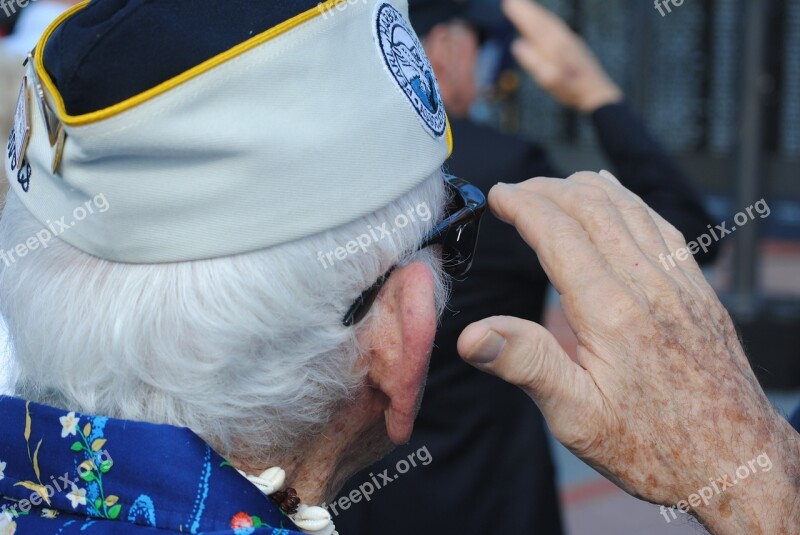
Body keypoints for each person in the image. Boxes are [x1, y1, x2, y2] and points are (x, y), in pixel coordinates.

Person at [1, 2, 797, 535]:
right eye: (454, 227)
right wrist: (757, 482)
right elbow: (690, 227)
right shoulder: (519, 163)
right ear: (403, 332)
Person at [336, 1, 718, 533]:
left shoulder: (331, 173)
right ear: (444, 49)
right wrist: (595, 95)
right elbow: (684, 236)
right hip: (494, 496)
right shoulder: (504, 172)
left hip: (356, 498)